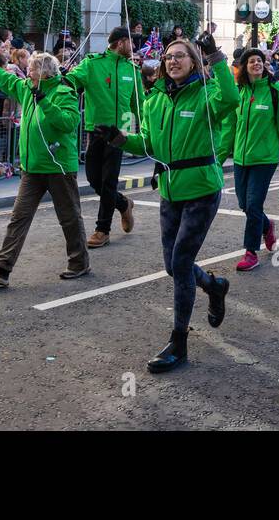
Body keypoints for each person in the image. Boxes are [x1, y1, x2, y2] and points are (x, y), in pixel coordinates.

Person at [93, 33, 238, 373]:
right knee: (175, 267)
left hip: (202, 188)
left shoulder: (207, 93)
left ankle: (178, 341)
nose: (172, 61)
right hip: (170, 191)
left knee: (181, 261)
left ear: (194, 62)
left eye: (181, 56)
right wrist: (119, 138)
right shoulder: (153, 100)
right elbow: (150, 144)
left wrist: (216, 55)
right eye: (168, 56)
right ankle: (215, 287)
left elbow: (230, 98)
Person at [0, 46, 90, 286]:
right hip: (32, 168)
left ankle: (79, 262)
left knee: (69, 217)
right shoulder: (26, 88)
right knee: (19, 218)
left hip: (58, 167)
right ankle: (1, 268)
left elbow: (68, 123)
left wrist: (44, 101)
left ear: (43, 72)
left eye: (32, 68)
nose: (27, 71)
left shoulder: (64, 92)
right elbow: (5, 79)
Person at [221, 47, 279, 272]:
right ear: (244, 67)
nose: (257, 64)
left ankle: (251, 252)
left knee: (253, 204)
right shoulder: (239, 92)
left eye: (259, 60)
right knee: (244, 204)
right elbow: (229, 128)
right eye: (252, 61)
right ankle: (267, 225)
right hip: (242, 160)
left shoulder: (275, 92)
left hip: (265, 159)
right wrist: (218, 157)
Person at [67, 26, 141, 248]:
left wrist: (137, 133)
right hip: (95, 131)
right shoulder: (92, 64)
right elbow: (71, 82)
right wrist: (59, 77)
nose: (134, 46)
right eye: (131, 42)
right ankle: (123, 203)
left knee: (108, 182)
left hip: (119, 134)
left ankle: (102, 230)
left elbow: (139, 106)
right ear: (120, 43)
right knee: (93, 179)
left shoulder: (132, 70)